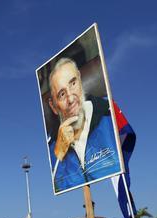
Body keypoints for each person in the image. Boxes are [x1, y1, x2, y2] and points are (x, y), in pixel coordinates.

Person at [47, 57, 120, 193]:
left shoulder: (109, 114)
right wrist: (59, 153)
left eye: (73, 83)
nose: (71, 98)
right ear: (53, 106)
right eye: (62, 94)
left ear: (80, 80)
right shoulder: (51, 145)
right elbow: (56, 187)